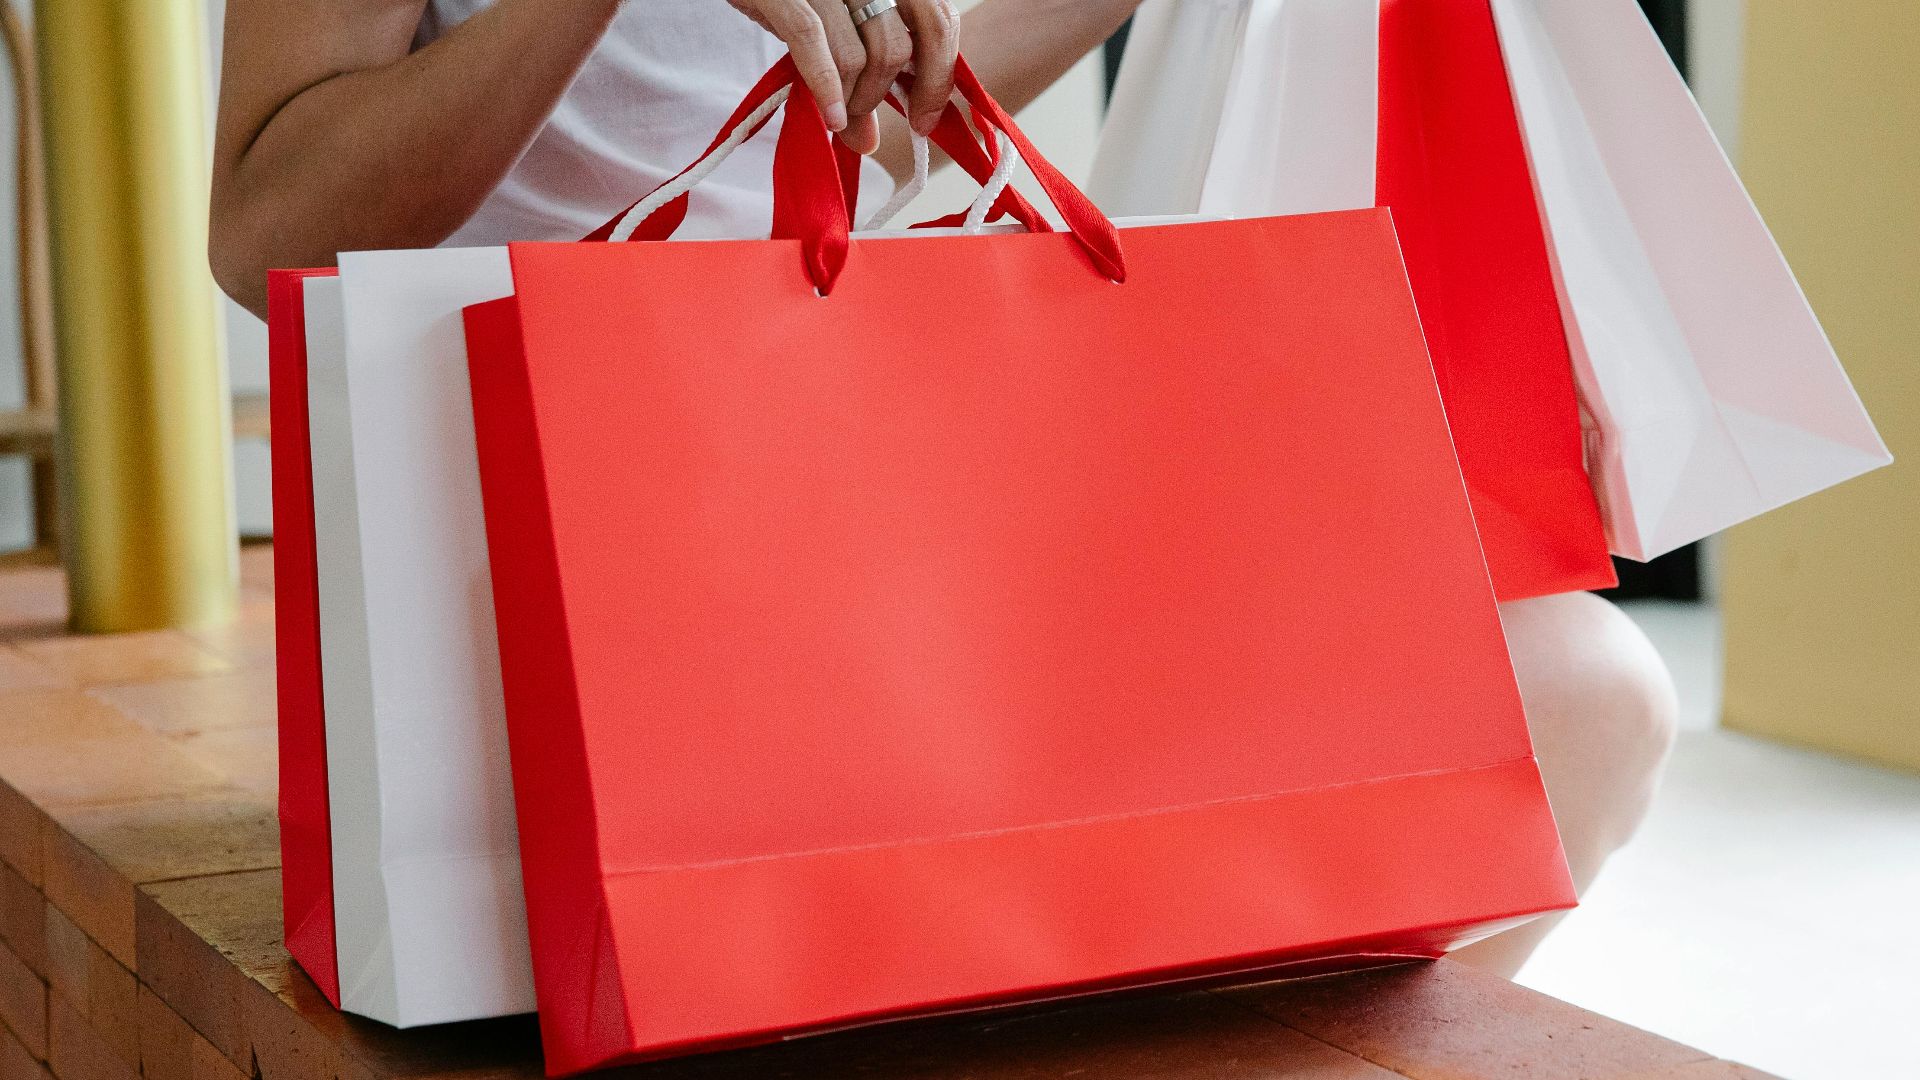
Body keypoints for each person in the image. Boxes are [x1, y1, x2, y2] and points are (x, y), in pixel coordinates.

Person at [209, 0, 1677, 980]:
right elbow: (268, 226)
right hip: (569, 522)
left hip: (827, 433)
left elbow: (875, 130)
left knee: (1590, 698)